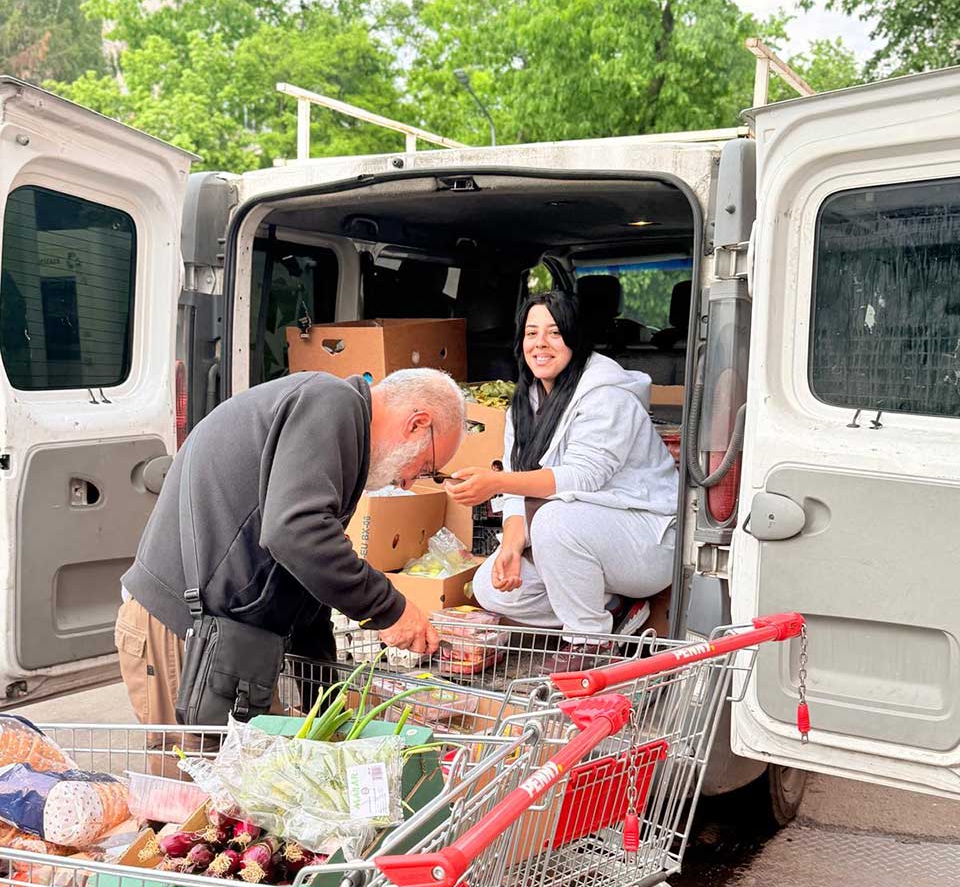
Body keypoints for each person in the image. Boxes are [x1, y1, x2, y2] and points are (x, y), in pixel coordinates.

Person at [116, 367, 465, 725]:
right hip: (181, 632)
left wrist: (326, 704)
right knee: (195, 776)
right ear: (418, 424)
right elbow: (296, 533)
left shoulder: (341, 432)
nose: (409, 483)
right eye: (426, 466)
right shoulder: (333, 403)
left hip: (221, 638)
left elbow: (301, 580)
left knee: (257, 772)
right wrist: (390, 608)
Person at [446, 291, 677, 669]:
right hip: (577, 539)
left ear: (575, 338)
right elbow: (517, 480)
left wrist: (497, 483)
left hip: (644, 538)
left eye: (554, 333)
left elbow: (583, 477)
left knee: (555, 520)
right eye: (531, 333)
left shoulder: (607, 395)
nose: (540, 344)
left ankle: (589, 642)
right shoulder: (526, 402)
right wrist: (512, 543)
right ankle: (614, 610)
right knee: (492, 587)